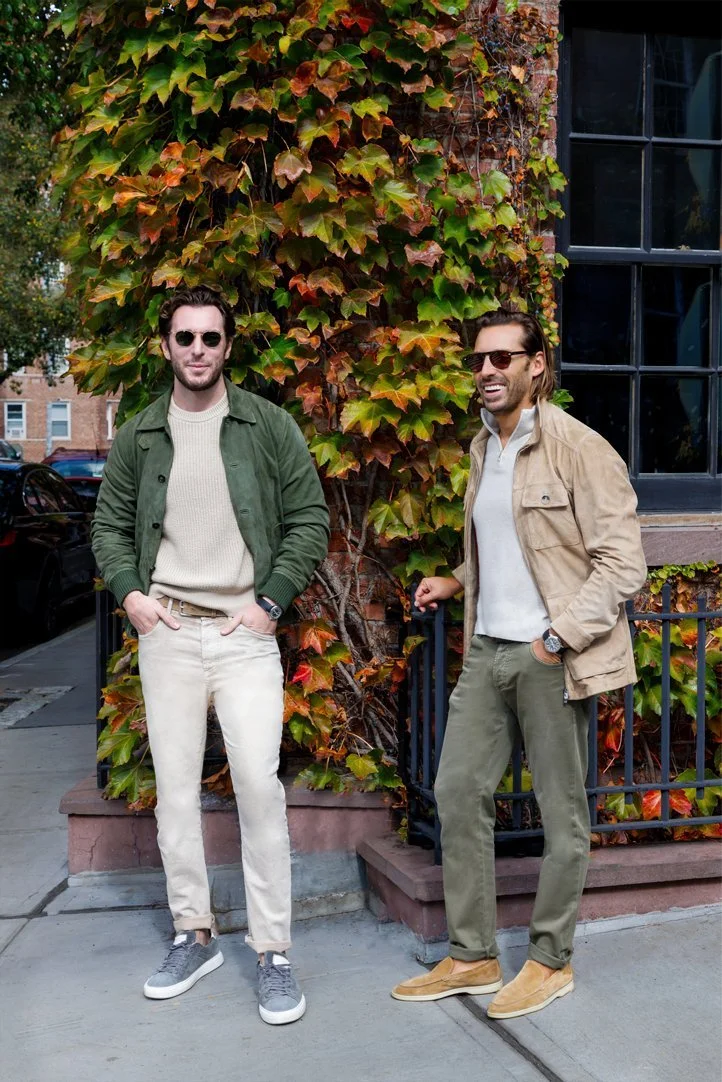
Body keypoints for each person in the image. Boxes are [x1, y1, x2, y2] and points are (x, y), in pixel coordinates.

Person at [391, 308, 646, 1018]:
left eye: (502, 358)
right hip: (488, 647)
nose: (486, 372)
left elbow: (623, 564)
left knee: (562, 814)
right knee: (457, 789)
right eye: (478, 360)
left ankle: (549, 960)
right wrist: (457, 580)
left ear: (537, 366)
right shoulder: (485, 447)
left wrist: (556, 639)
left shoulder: (577, 447)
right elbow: (520, 549)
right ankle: (472, 954)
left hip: (549, 656)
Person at [92, 285, 329, 1024]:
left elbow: (308, 517)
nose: (198, 350)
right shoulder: (139, 435)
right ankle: (195, 933)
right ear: (165, 346)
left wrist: (269, 604)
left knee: (259, 785)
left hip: (240, 635)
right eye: (185, 337)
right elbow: (107, 526)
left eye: (211, 338)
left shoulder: (267, 425)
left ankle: (273, 952)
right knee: (174, 795)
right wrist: (133, 597)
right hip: (168, 633)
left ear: (229, 347)